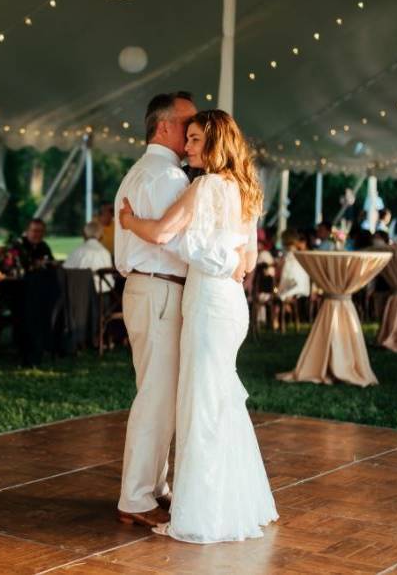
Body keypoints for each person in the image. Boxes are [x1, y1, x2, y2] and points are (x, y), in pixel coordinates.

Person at [119, 109, 278, 544]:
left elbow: (161, 234)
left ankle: (205, 511)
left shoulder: (205, 185)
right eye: (185, 138)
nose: (186, 148)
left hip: (207, 302)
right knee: (220, 398)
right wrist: (224, 262)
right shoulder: (247, 191)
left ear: (213, 144)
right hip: (231, 305)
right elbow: (246, 264)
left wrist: (128, 221)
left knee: (200, 405)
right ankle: (231, 500)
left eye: (193, 140)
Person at [113, 90, 197, 529]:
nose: (195, 131)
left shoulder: (140, 172)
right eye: (188, 124)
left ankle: (154, 485)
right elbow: (178, 243)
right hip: (161, 290)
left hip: (147, 290)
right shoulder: (169, 178)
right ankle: (137, 497)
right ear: (163, 127)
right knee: (157, 397)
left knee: (157, 392)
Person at [64, 220, 114, 293]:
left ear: (84, 234)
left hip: (81, 295)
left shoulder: (78, 251)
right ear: (101, 236)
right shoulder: (105, 252)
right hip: (104, 293)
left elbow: (65, 270)